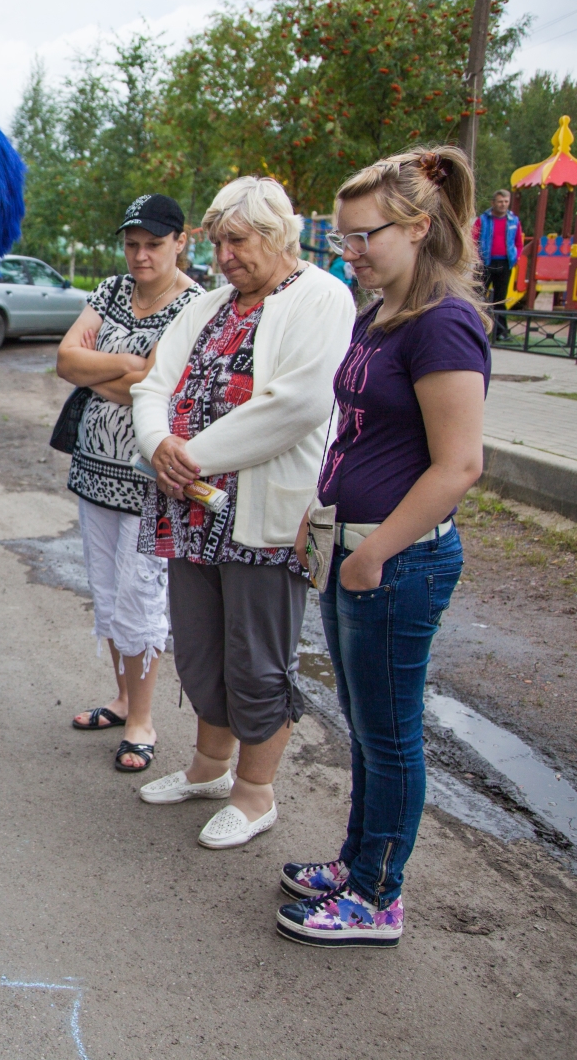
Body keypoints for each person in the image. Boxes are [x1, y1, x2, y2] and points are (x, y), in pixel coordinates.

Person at [277, 148, 490, 949]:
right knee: (366, 726)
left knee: (392, 731)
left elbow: (460, 463)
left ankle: (377, 896)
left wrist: (374, 554)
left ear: (419, 227)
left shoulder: (445, 325)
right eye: (342, 236)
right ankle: (358, 861)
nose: (349, 251)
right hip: (352, 545)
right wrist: (319, 515)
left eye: (364, 237)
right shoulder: (382, 315)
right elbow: (359, 431)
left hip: (395, 560)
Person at [130, 175, 352, 850]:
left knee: (256, 660)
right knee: (200, 650)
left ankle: (255, 795)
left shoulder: (321, 297)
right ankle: (209, 768)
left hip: (261, 513)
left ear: (278, 233)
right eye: (218, 240)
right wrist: (158, 444)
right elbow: (153, 383)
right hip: (192, 509)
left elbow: (299, 404)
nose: (224, 254)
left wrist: (184, 452)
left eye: (238, 240)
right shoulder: (209, 306)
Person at [55, 194, 201, 773]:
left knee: (142, 598)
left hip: (148, 479)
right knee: (108, 593)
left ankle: (142, 720)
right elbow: (67, 361)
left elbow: (165, 387)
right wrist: (131, 371)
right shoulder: (112, 291)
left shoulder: (193, 304)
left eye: (154, 244)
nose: (141, 255)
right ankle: (121, 699)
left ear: (180, 241)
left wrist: (106, 370)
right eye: (133, 243)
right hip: (95, 470)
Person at [476, 188, 523, 342]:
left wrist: (516, 257)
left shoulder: (513, 221)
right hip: (486, 262)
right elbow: (472, 238)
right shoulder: (483, 220)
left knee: (501, 298)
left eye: (506, 202)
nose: (503, 205)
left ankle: (501, 331)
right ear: (493, 203)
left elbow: (519, 242)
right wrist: (476, 257)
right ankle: (478, 329)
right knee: (479, 297)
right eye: (500, 201)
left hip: (505, 262)